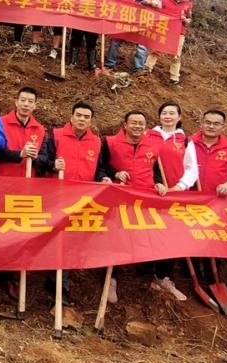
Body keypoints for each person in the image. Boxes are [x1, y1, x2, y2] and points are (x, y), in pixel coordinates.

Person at [36, 101, 103, 304]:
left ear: (91, 121)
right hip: (57, 197)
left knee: (71, 243)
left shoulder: (96, 142)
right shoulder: (56, 136)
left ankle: (58, 283)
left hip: (82, 201)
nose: (82, 119)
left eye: (86, 117)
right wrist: (53, 165)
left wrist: (104, 177)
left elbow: (99, 169)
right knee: (58, 241)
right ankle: (59, 286)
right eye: (79, 115)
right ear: (71, 117)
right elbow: (40, 161)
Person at [98, 109, 159, 304]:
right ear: (125, 125)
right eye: (134, 123)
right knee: (115, 237)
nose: (138, 126)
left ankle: (146, 277)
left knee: (146, 235)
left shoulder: (152, 145)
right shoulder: (110, 142)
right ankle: (111, 278)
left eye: (141, 123)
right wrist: (115, 173)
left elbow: (156, 170)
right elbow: (100, 167)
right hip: (119, 198)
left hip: (144, 199)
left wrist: (159, 183)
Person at [188, 109, 227, 284]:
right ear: (201, 123)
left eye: (216, 124)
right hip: (190, 201)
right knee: (191, 237)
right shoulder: (188, 143)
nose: (211, 126)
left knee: (212, 239)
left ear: (223, 127)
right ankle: (192, 275)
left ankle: (212, 278)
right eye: (208, 122)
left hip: (216, 203)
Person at [150, 101, 199, 301]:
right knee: (149, 232)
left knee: (171, 235)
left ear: (179, 117)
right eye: (164, 112)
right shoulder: (149, 136)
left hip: (175, 195)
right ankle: (146, 274)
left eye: (172, 113)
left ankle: (164, 276)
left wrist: (181, 185)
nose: (168, 116)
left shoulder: (185, 140)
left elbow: (192, 168)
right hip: (151, 193)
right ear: (159, 116)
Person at [104, 0, 161, 72]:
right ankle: (110, 64)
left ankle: (138, 68)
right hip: (127, 19)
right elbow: (121, 3)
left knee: (142, 45)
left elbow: (159, 4)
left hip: (144, 21)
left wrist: (149, 2)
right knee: (115, 40)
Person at [145, 0, 193, 85]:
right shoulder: (165, 0)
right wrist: (148, 2)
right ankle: (147, 70)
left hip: (179, 33)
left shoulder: (188, 4)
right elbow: (157, 4)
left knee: (176, 55)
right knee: (156, 50)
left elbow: (189, 19)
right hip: (164, 30)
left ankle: (174, 78)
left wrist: (185, 20)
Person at [0, 87, 45, 177]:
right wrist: (20, 154)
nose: (26, 104)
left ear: (35, 106)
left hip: (28, 181)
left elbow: (44, 158)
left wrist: (36, 157)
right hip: (4, 179)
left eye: (30, 101)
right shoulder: (0, 123)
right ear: (16, 102)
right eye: (23, 100)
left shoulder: (40, 129)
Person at [68, 0, 109, 70]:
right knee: (76, 38)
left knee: (92, 40)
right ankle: (73, 62)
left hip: (94, 16)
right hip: (79, 14)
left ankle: (92, 64)